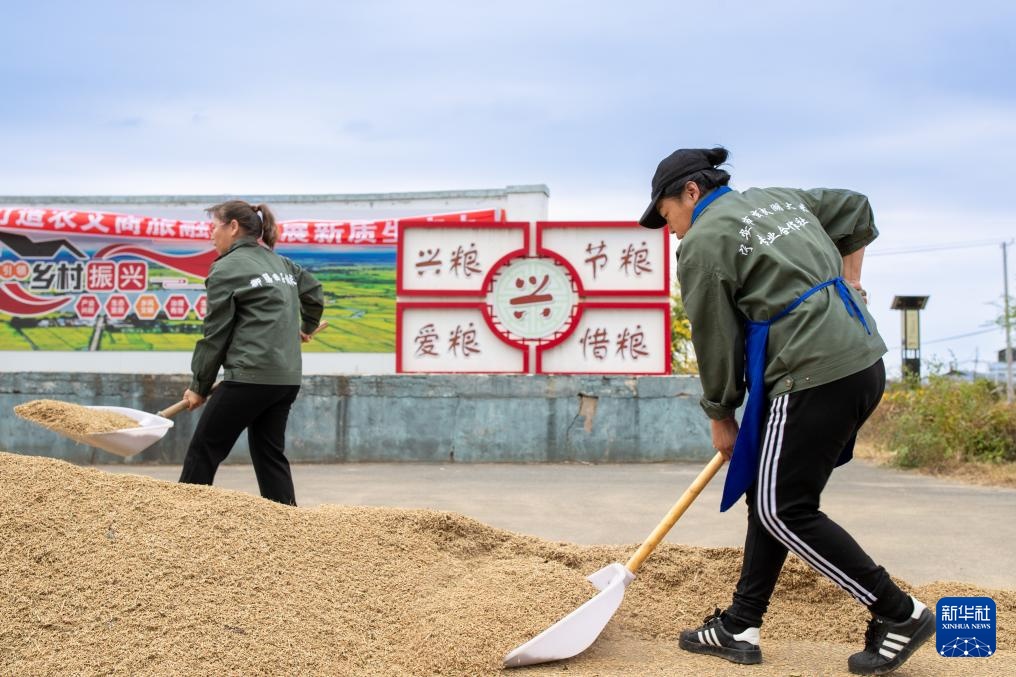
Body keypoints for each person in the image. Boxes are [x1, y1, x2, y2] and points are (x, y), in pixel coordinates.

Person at [638, 148, 933, 675]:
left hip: (813, 369)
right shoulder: (778, 200)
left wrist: (720, 412)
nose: (672, 232)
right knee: (772, 496)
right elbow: (855, 209)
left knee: (782, 509)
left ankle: (899, 613)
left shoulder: (704, 243)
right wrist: (851, 281)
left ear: (690, 192)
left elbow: (715, 337)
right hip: (861, 357)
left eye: (667, 217)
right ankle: (739, 625)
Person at [179, 200, 324, 506]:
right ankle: (288, 530)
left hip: (249, 379)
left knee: (204, 449)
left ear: (233, 227)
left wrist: (198, 386)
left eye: (214, 226)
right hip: (284, 381)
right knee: (269, 455)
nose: (211, 235)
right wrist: (307, 326)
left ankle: (183, 525)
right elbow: (313, 293)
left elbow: (215, 335)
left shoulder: (226, 269)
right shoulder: (281, 264)